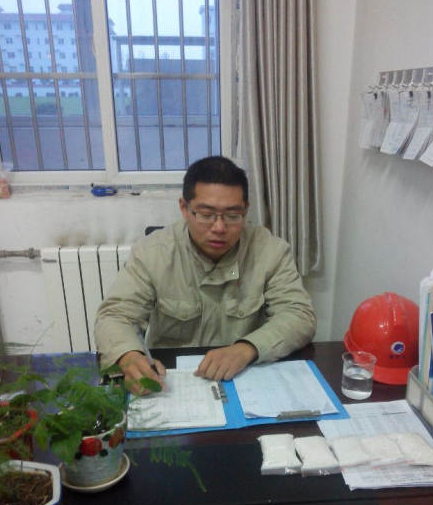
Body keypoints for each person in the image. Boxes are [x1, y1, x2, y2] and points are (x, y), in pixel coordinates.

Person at [94, 156, 316, 393]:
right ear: (184, 208)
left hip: (244, 377)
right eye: (206, 214)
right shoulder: (152, 253)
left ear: (246, 210)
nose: (219, 228)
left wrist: (247, 348)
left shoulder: (270, 251)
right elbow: (115, 316)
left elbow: (299, 315)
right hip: (171, 380)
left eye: (232, 215)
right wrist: (129, 355)